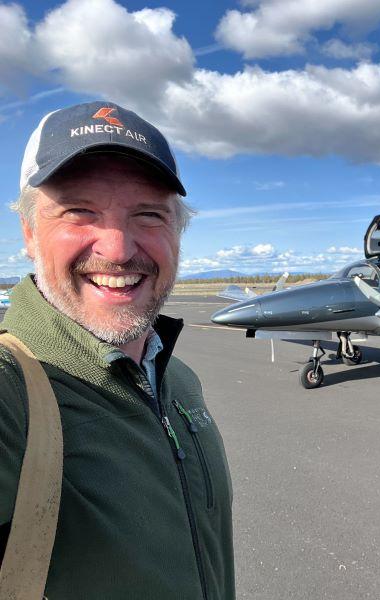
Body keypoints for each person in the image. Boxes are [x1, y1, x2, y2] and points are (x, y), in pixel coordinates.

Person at [0, 102, 234, 598]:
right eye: (79, 212)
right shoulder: (11, 389)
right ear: (29, 233)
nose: (118, 249)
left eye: (148, 215)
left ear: (177, 232)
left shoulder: (177, 378)